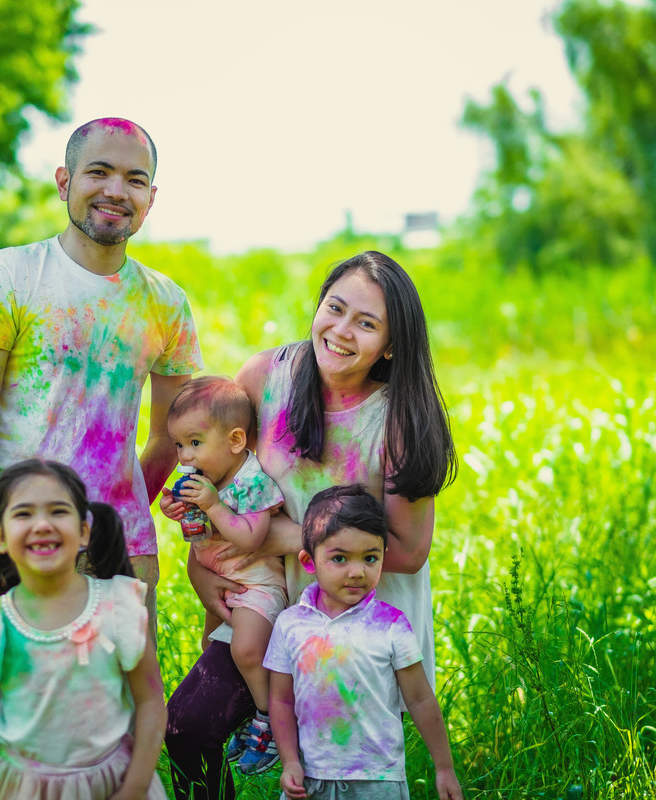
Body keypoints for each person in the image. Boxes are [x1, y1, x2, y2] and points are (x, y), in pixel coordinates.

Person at [0, 117, 203, 798]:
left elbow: (172, 433)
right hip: (12, 539)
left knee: (112, 737)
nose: (117, 190)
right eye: (99, 173)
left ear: (151, 197)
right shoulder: (12, 275)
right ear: (65, 182)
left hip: (120, 555)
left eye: (135, 179)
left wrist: (115, 520)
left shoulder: (165, 302)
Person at [164, 251, 457, 800]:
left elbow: (410, 549)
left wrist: (280, 537)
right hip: (268, 600)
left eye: (366, 324)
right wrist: (200, 566)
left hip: (352, 621)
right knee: (185, 729)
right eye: (335, 308)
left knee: (334, 781)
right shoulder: (264, 378)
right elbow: (221, 476)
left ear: (391, 344)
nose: (341, 331)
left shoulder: (398, 419)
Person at [0, 459, 167, 800]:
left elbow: (151, 702)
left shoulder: (119, 607)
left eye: (58, 511)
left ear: (83, 531)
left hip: (111, 784)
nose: (42, 525)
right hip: (21, 790)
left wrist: (135, 788)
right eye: (23, 514)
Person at [268, 485, 462, 800]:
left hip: (378, 781)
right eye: (340, 558)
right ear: (308, 561)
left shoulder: (391, 626)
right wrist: (289, 761)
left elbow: (420, 700)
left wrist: (444, 767)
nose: (357, 571)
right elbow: (281, 701)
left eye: (370, 558)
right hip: (309, 779)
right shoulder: (290, 625)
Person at [160, 376, 286, 775]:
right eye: (179, 445)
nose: (184, 457)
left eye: (194, 443)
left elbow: (251, 538)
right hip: (225, 581)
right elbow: (199, 536)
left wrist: (213, 506)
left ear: (235, 440)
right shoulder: (210, 479)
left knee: (246, 650)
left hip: (258, 584)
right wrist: (178, 511)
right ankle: (248, 713)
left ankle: (272, 721)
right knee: (207, 646)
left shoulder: (251, 482)